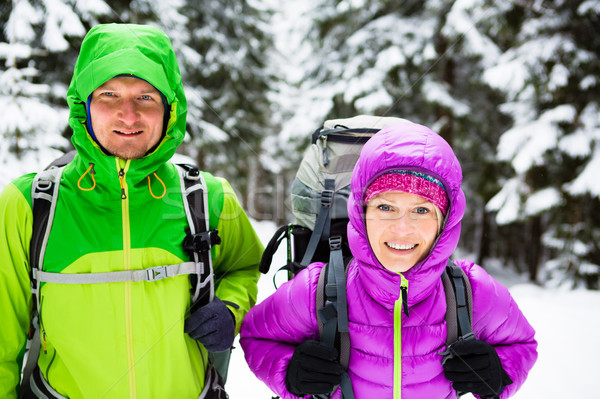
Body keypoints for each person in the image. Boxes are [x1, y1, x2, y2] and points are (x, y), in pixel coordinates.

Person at [0, 23, 263, 399]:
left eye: (146, 98)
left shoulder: (209, 198)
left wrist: (231, 308)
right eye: (109, 94)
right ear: (83, 105)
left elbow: (244, 266)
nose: (128, 115)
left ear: (170, 111)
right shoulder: (29, 204)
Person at [240, 120, 538, 398]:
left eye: (422, 210)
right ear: (361, 212)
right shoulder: (315, 289)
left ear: (445, 221)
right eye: (385, 207)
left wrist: (498, 373)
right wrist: (289, 372)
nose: (402, 228)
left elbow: (522, 344)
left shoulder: (469, 290)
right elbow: (256, 336)